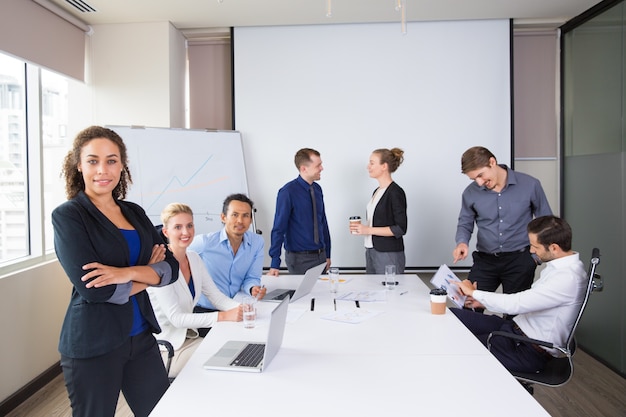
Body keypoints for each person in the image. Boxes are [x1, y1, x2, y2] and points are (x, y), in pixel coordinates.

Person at [51, 126, 179, 417]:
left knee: (161, 411)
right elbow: (96, 290)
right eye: (93, 160)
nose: (102, 169)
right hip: (94, 344)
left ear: (122, 166)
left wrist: (125, 273)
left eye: (111, 160)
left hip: (142, 339)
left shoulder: (134, 212)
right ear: (78, 165)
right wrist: (148, 272)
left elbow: (171, 269)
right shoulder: (69, 216)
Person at [450, 215, 587, 373]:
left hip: (525, 349)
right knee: (452, 316)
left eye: (535, 246)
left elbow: (517, 303)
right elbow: (531, 301)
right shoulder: (561, 268)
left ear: (554, 248)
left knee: (459, 348)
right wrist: (480, 302)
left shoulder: (567, 278)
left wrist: (474, 293)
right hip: (515, 330)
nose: (531, 250)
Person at [148, 203, 243, 377]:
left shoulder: (193, 258)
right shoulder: (161, 266)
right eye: (178, 227)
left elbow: (216, 297)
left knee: (233, 350)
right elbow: (176, 319)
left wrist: (241, 308)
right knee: (225, 363)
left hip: (189, 338)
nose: (186, 232)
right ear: (166, 232)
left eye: (189, 225)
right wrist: (223, 316)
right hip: (167, 349)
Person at [452, 146, 552, 301]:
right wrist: (462, 243)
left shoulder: (530, 185)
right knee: (468, 305)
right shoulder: (470, 193)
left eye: (480, 175)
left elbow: (545, 222)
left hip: (520, 260)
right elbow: (465, 222)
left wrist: (535, 258)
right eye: (474, 179)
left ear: (492, 162)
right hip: (485, 261)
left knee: (515, 315)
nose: (479, 183)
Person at [189, 193, 266, 312]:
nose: (240, 221)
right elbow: (176, 251)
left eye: (245, 215)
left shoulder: (256, 243)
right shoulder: (205, 243)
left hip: (235, 306)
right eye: (235, 215)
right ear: (223, 217)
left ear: (251, 220)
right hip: (206, 310)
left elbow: (252, 277)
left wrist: (253, 288)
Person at [268, 148, 331, 275]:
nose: (322, 168)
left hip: (321, 257)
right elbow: (279, 228)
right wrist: (275, 262)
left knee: (323, 294)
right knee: (303, 295)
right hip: (300, 259)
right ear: (304, 168)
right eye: (318, 165)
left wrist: (327, 254)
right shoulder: (287, 192)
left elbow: (322, 223)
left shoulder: (317, 189)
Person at [349, 148, 407, 274]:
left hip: (388, 253)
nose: (368, 166)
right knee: (373, 292)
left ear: (384, 166)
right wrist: (362, 229)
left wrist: (367, 230)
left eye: (372, 163)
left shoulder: (395, 192)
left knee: (390, 292)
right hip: (371, 250)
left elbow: (400, 228)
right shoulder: (377, 192)